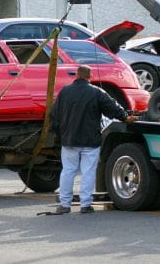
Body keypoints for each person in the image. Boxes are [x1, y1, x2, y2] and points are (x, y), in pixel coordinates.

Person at [50, 65, 137, 214]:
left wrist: (59, 133)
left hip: (69, 140)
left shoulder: (64, 92)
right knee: (88, 172)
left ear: (76, 75)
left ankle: (64, 204)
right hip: (90, 140)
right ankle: (85, 205)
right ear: (90, 77)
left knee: (68, 171)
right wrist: (125, 117)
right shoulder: (96, 92)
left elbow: (54, 115)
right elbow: (112, 107)